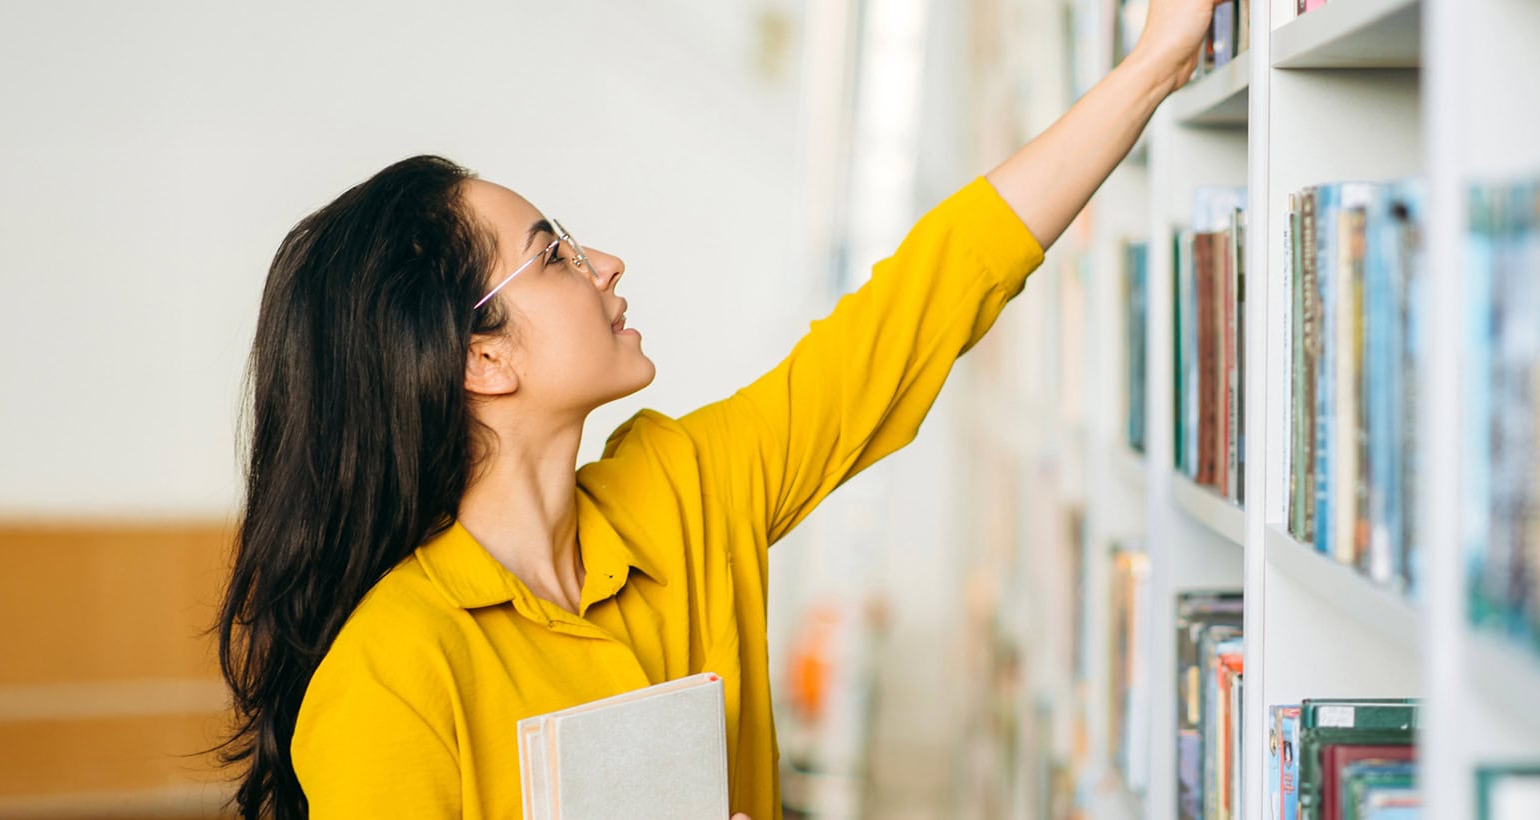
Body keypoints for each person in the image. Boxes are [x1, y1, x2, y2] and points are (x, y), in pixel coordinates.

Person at [216, 2, 1219, 816]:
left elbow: (921, 302)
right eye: (554, 254)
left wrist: (1155, 64)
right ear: (483, 357)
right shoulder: (389, 675)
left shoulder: (682, 492)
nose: (606, 263)